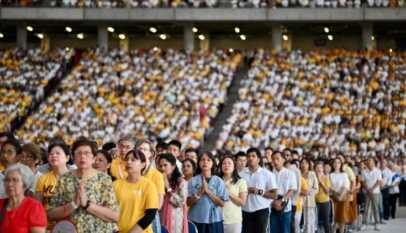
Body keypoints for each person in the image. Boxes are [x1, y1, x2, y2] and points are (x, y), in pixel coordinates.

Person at [47, 137, 119, 233]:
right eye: (79, 153)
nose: (82, 157)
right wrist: (73, 205)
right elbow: (51, 214)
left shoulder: (104, 179)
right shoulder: (64, 179)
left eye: (87, 153)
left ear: (93, 158)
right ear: (73, 157)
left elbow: (114, 216)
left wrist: (87, 205)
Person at [114, 149, 159, 233]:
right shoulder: (116, 185)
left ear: (143, 164)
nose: (128, 162)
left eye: (133, 159)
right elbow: (109, 210)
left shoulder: (149, 186)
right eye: (127, 159)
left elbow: (150, 215)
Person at [187, 152, 229, 233]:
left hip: (215, 220)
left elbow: (222, 203)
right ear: (198, 163)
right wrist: (200, 192)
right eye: (202, 160)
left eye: (208, 160)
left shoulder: (218, 181)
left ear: (213, 163)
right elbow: (188, 202)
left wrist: (208, 192)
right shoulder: (192, 181)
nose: (205, 162)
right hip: (196, 220)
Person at [0, 163, 47, 233]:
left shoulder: (34, 207)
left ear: (24, 185)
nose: (10, 184)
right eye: (7, 180)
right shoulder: (1, 203)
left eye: (15, 180)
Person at [240, 147, 277, 233]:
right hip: (245, 211)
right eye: (248, 156)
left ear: (259, 159)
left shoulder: (267, 174)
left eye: (253, 156)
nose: (251, 158)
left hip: (261, 210)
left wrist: (258, 191)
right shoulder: (240, 174)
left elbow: (274, 195)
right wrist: (245, 191)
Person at [138, 140, 165, 233]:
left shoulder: (156, 174)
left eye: (145, 149)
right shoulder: (131, 172)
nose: (141, 151)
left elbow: (159, 203)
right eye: (139, 149)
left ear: (150, 154)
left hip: (149, 217)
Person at [159, 153, 188, 233]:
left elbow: (181, 202)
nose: (162, 168)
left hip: (175, 221)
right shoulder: (158, 181)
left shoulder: (181, 181)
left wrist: (168, 188)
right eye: (160, 166)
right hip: (161, 217)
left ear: (173, 166)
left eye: (165, 165)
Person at [35, 139, 70, 208]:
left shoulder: (75, 178)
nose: (54, 155)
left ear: (67, 158)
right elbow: (37, 206)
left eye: (58, 153)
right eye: (51, 154)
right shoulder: (43, 179)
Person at [219, 155, 247, 233]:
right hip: (217, 219)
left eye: (229, 163)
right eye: (224, 163)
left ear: (234, 166)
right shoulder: (217, 181)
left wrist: (228, 192)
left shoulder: (240, 181)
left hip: (233, 220)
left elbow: (242, 202)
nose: (226, 165)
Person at [270, 151, 297, 233]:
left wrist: (281, 201)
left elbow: (292, 190)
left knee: (285, 230)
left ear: (283, 160)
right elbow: (268, 190)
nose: (275, 161)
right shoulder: (270, 174)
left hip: (285, 206)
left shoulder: (290, 173)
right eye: (273, 159)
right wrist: (273, 202)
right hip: (272, 205)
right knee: (273, 230)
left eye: (277, 159)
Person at [330, 158, 351, 233]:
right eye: (335, 162)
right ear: (332, 164)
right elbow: (330, 187)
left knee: (342, 219)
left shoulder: (344, 174)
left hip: (343, 198)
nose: (336, 164)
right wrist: (337, 194)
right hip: (334, 198)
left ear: (341, 164)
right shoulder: (330, 175)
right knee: (334, 220)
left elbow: (346, 186)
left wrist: (341, 196)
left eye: (338, 163)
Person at [362, 157, 381, 230]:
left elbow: (378, 181)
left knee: (375, 208)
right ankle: (364, 224)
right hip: (367, 192)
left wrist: (371, 189)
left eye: (370, 161)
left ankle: (377, 223)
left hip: (375, 192)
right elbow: (363, 182)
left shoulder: (378, 171)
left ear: (373, 162)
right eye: (368, 161)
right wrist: (368, 189)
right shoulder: (364, 171)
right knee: (366, 208)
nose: (369, 162)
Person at [300, 158, 318, 233]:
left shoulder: (312, 174)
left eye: (306, 163)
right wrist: (301, 192)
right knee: (300, 222)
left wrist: (308, 193)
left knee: (309, 222)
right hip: (299, 201)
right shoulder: (298, 174)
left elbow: (316, 188)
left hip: (309, 202)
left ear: (308, 165)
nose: (304, 165)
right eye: (302, 163)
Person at [315, 161, 331, 233]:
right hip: (315, 201)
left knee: (326, 221)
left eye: (320, 167)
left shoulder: (326, 178)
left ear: (323, 169)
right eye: (317, 167)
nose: (319, 169)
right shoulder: (313, 177)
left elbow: (327, 191)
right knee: (315, 221)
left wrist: (321, 182)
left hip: (324, 201)